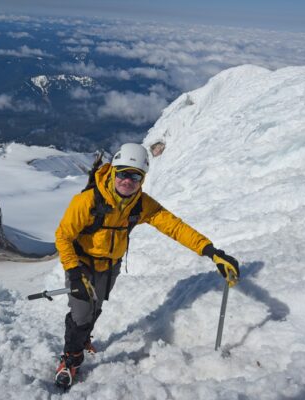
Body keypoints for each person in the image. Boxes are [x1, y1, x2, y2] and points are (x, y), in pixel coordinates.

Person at [53, 143, 239, 388]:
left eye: (135, 176)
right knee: (81, 312)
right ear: (113, 172)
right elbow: (63, 236)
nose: (127, 181)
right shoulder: (87, 201)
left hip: (110, 266)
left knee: (95, 306)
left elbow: (174, 226)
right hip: (81, 263)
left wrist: (211, 251)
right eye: (123, 173)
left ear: (142, 180)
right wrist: (74, 273)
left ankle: (83, 336)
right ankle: (71, 359)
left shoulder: (141, 204)